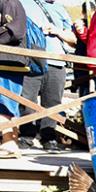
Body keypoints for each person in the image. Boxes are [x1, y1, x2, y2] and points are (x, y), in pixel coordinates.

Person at [20, 0, 76, 150]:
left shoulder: (59, 9)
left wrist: (57, 31)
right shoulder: (23, 4)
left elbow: (73, 40)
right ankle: (26, 136)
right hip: (31, 61)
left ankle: (49, 138)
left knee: (53, 102)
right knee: (26, 100)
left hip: (57, 62)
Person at [0, 0, 27, 158]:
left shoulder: (9, 1)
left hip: (8, 61)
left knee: (5, 103)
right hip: (8, 61)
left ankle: (10, 143)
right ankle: (10, 142)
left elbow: (15, 31)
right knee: (7, 103)